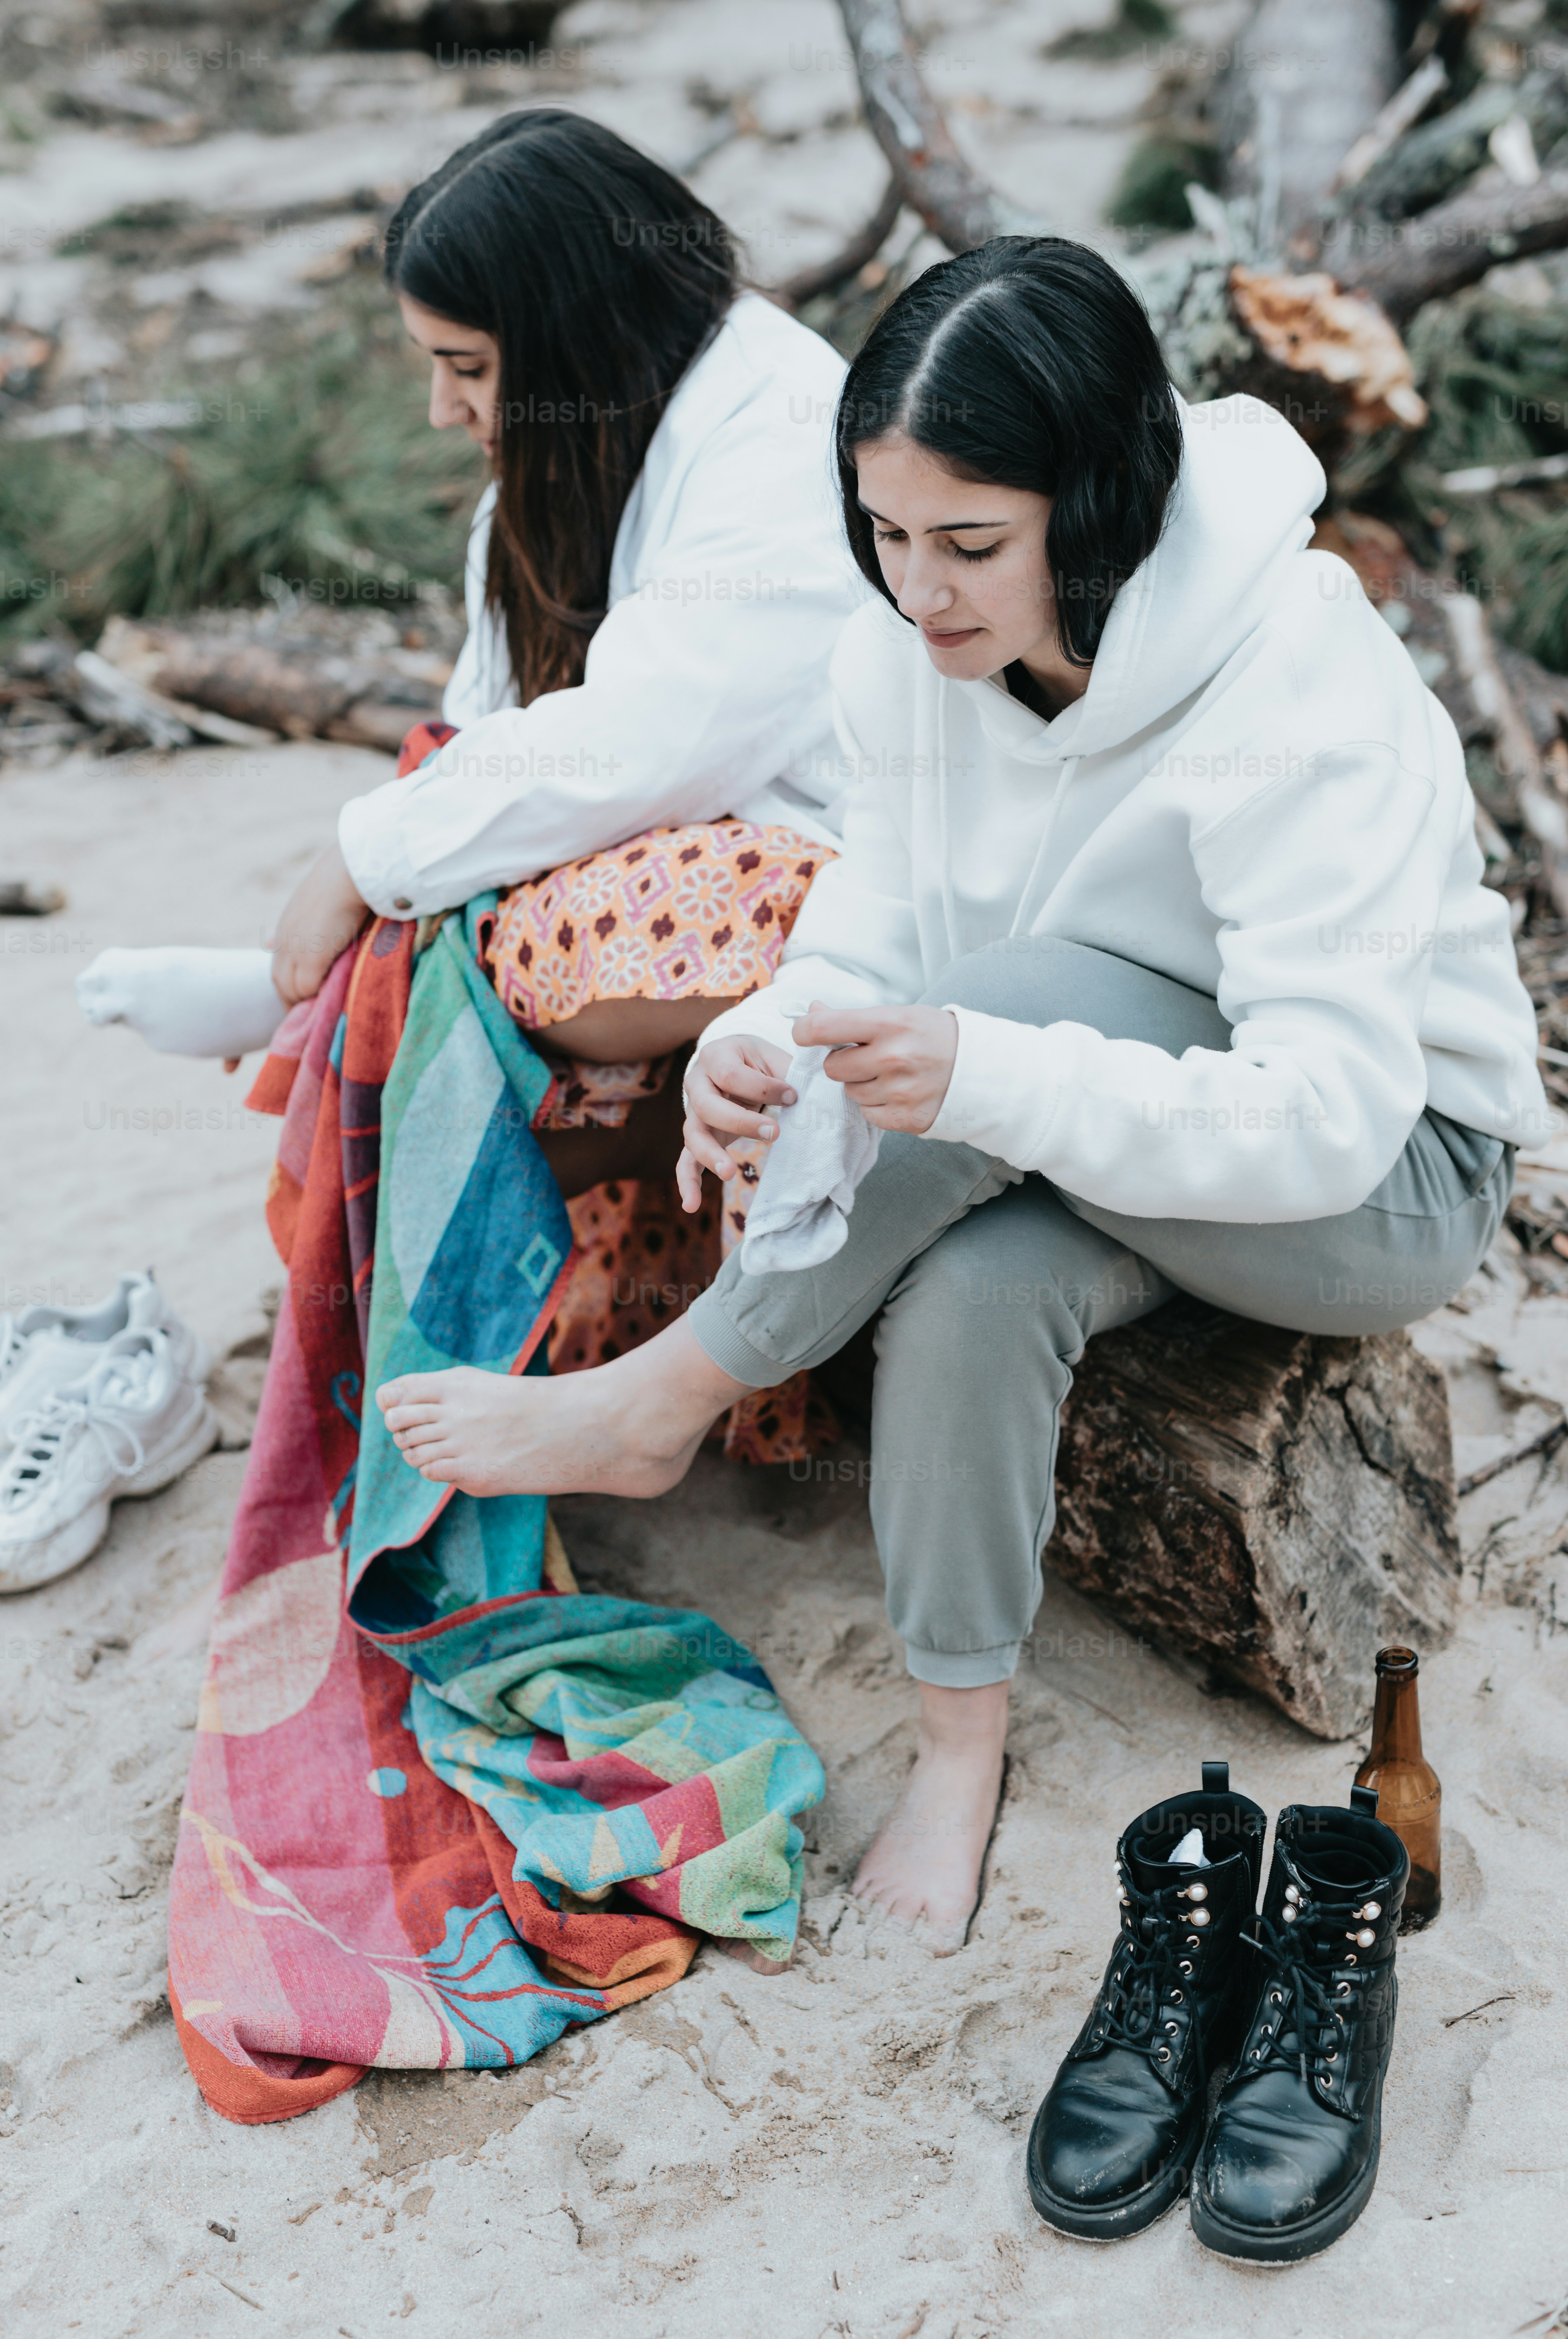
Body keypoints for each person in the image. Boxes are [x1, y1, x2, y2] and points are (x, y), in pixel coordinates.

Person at [374, 236, 1548, 1952]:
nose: (915, 589)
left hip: (1369, 1181)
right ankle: (958, 1737)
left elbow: (1328, 1113)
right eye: (884, 534)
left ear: (1098, 504)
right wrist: (758, 1042)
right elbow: (877, 923)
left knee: (983, 1026)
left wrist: (987, 1072)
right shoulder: (910, 644)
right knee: (978, 1286)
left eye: (968, 545)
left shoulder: (1298, 685)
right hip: (1112, 1118)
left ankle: (671, 1394)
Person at [268, 109, 860, 1212]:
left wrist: (361, 859)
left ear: (573, 340)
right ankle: (321, 1016)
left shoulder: (780, 433)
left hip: (845, 882)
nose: (444, 411)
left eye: (469, 368)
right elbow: (485, 732)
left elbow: (656, 742)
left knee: (506, 945)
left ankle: (327, 1021)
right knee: (440, 950)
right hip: (702, 858)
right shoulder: (561, 468)